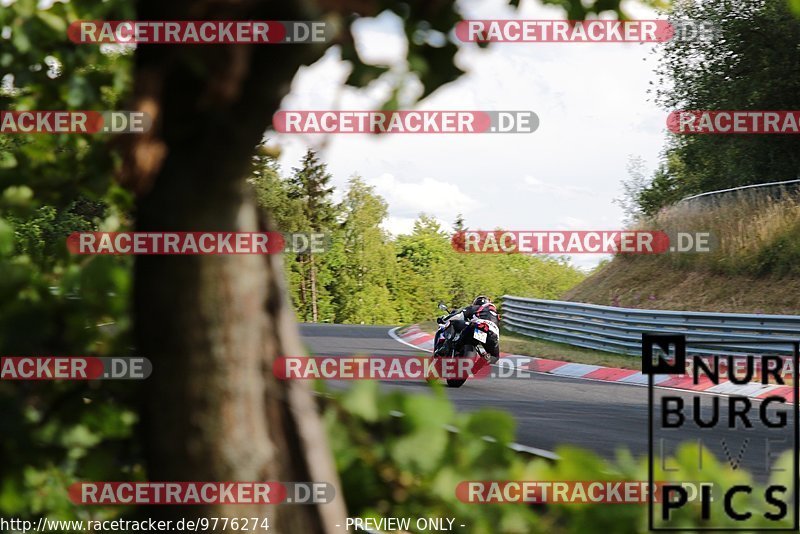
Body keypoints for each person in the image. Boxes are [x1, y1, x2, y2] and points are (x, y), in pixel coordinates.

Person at [435, 296, 500, 361]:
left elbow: (459, 316)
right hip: (493, 333)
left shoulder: (476, 307)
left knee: (452, 323)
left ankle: (445, 347)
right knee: (494, 357)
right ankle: (478, 366)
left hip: (477, 325)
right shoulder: (496, 315)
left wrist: (444, 320)